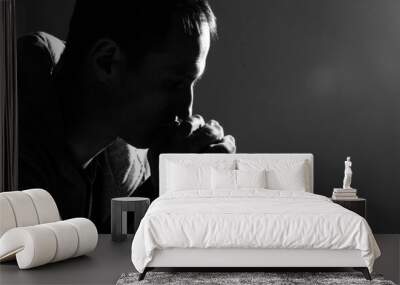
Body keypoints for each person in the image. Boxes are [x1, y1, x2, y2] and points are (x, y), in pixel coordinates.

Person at [17, 0, 236, 232]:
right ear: (106, 61)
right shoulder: (13, 139)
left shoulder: (129, 154)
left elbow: (107, 247)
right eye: (173, 83)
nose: (186, 111)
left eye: (191, 83)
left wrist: (166, 187)